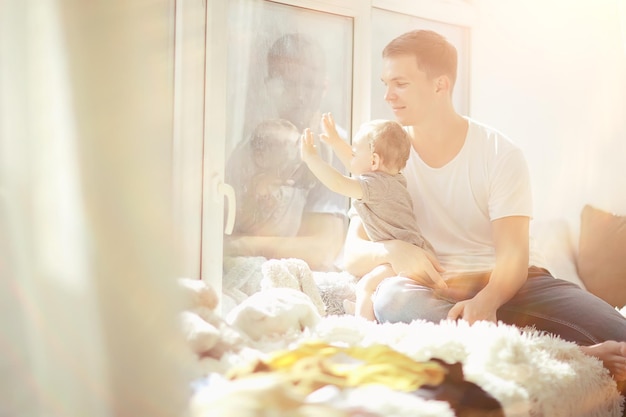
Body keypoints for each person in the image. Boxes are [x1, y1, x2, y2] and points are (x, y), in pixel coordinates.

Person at [342, 29, 626, 381]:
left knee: (621, 333)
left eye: (400, 83)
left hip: (516, 285)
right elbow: (351, 254)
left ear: (439, 84)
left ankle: (513, 341)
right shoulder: (380, 157)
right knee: (391, 300)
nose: (387, 96)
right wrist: (392, 250)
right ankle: (572, 355)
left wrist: (488, 301)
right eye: (385, 83)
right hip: (436, 289)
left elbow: (513, 257)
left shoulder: (499, 152)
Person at [224, 33, 347, 271]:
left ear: (325, 86)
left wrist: (242, 245)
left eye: (309, 84)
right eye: (289, 83)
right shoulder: (249, 146)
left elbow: (322, 250)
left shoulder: (333, 149)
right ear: (270, 84)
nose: (300, 96)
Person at [301, 113, 435, 320]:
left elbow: (338, 183)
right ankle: (366, 308)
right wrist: (336, 141)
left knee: (366, 285)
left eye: (354, 153)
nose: (351, 157)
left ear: (374, 161)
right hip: (410, 252)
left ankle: (364, 323)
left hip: (402, 260)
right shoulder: (390, 180)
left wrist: (312, 159)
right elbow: (357, 165)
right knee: (372, 283)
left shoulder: (376, 186)